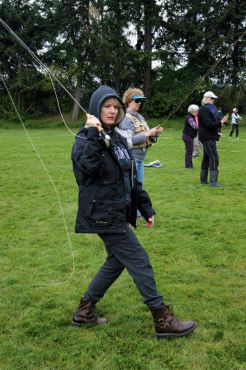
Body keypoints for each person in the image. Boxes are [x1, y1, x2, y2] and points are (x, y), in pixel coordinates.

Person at [71, 85, 196, 339]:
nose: (112, 110)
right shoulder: (85, 139)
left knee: (116, 262)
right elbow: (89, 170)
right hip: (104, 215)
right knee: (139, 260)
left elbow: (129, 176)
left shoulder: (116, 138)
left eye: (115, 107)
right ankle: (162, 318)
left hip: (118, 212)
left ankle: (84, 311)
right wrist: (93, 132)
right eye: (106, 106)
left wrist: (145, 207)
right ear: (96, 109)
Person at [119, 87, 163, 187]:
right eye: (137, 100)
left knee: (139, 189)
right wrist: (148, 133)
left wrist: (154, 133)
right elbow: (129, 141)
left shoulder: (139, 117)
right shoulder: (126, 118)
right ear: (129, 102)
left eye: (141, 100)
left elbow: (146, 136)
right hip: (132, 159)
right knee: (133, 189)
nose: (139, 103)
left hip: (140, 159)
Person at [198, 91, 228, 187]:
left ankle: (203, 180)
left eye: (214, 98)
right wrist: (221, 121)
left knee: (206, 158)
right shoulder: (204, 110)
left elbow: (210, 124)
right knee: (214, 158)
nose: (213, 100)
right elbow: (209, 124)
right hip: (208, 137)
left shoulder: (207, 109)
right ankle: (213, 182)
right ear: (207, 98)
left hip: (209, 136)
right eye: (212, 98)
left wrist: (218, 131)